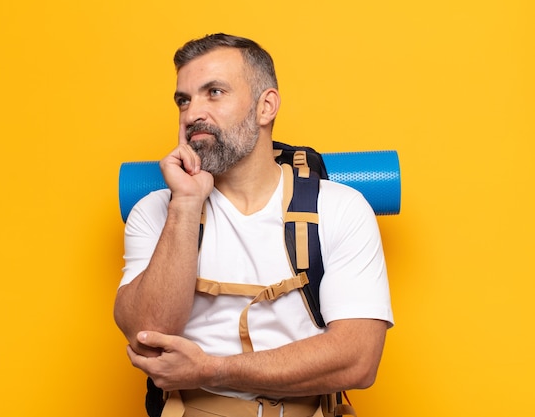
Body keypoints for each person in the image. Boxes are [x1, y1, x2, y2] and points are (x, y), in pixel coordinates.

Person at [114, 33, 394, 417]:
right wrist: (186, 202)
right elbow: (147, 335)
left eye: (213, 92)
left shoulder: (339, 208)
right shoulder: (158, 210)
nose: (193, 112)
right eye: (184, 99)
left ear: (266, 107)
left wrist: (211, 369)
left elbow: (358, 361)